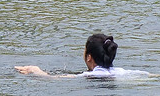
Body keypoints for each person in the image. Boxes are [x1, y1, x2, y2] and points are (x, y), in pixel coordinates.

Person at [16, 33, 149, 78]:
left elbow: (52, 78)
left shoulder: (89, 75)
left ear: (89, 57)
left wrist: (35, 70)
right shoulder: (121, 72)